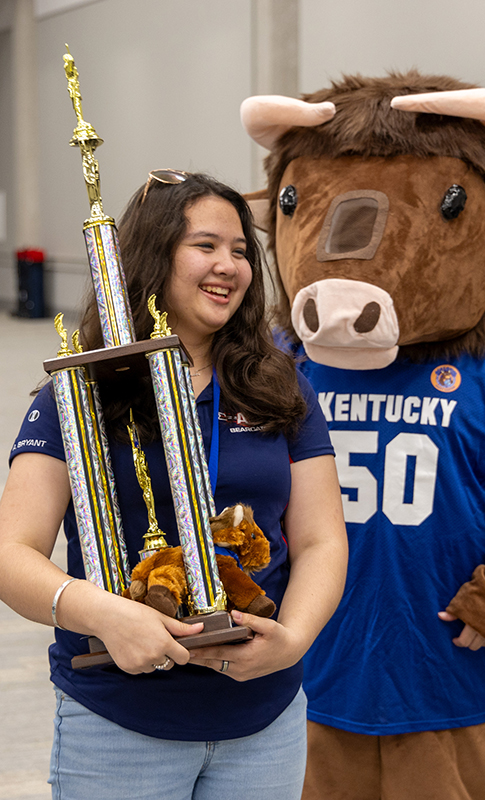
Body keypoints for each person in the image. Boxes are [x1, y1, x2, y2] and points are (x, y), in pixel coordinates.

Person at [0, 171, 348, 800]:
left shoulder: (280, 385)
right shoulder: (79, 394)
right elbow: (11, 555)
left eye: (242, 250)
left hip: (263, 723)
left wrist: (291, 640)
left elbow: (323, 538)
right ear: (154, 254)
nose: (229, 266)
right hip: (120, 726)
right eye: (206, 246)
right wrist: (99, 614)